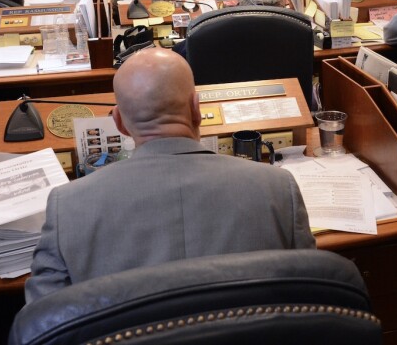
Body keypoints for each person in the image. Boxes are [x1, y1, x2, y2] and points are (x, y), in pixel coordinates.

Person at [25, 48, 314, 302]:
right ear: (197, 109)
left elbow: (42, 322)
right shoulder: (278, 188)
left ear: (119, 123)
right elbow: (312, 298)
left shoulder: (68, 205)